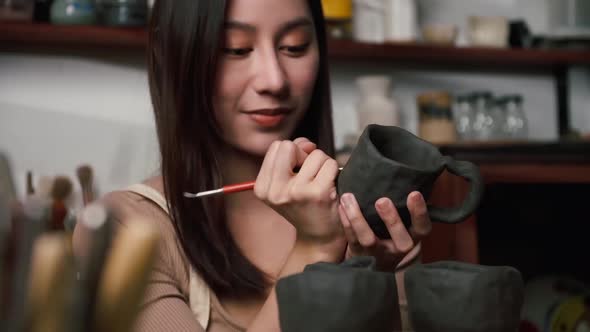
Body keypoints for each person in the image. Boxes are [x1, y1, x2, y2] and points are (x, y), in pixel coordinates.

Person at [73, 0, 432, 331]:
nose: (274, 80)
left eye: (294, 46)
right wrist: (315, 249)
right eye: (236, 50)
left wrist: (371, 275)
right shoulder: (121, 229)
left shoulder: (363, 204)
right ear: (178, 57)